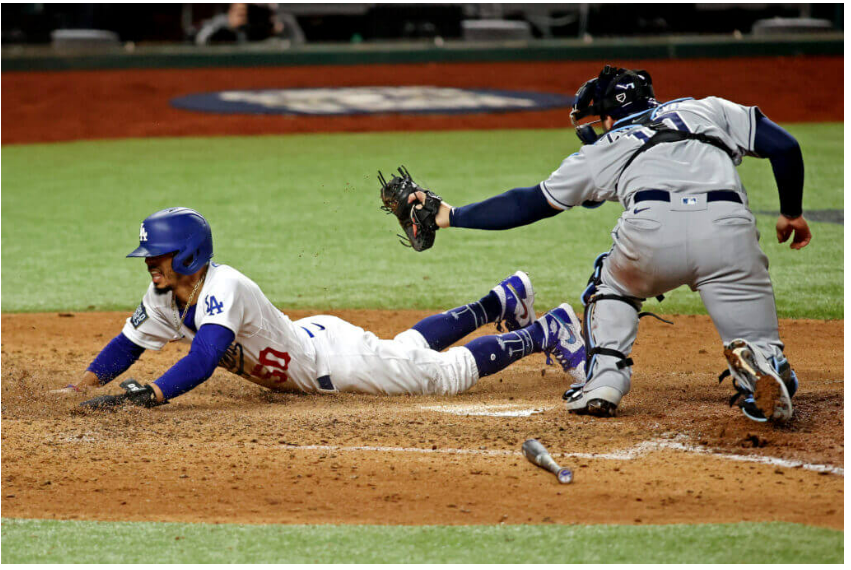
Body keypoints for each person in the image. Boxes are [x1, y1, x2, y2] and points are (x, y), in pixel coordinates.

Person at [408, 65, 810, 423]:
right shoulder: (709, 109)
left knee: (612, 286)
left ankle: (604, 382)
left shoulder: (605, 148)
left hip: (653, 236)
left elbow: (528, 204)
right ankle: (761, 364)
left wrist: (451, 215)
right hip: (729, 232)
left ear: (607, 116)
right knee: (757, 338)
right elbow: (785, 147)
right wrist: (791, 212)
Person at [54, 207, 585, 408]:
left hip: (338, 362)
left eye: (158, 256)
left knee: (443, 375)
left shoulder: (224, 287)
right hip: (318, 345)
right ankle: (500, 300)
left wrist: (154, 393)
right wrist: (82, 386)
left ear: (188, 254)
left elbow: (207, 354)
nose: (150, 265)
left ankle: (548, 330)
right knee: (406, 350)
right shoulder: (166, 296)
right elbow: (127, 344)